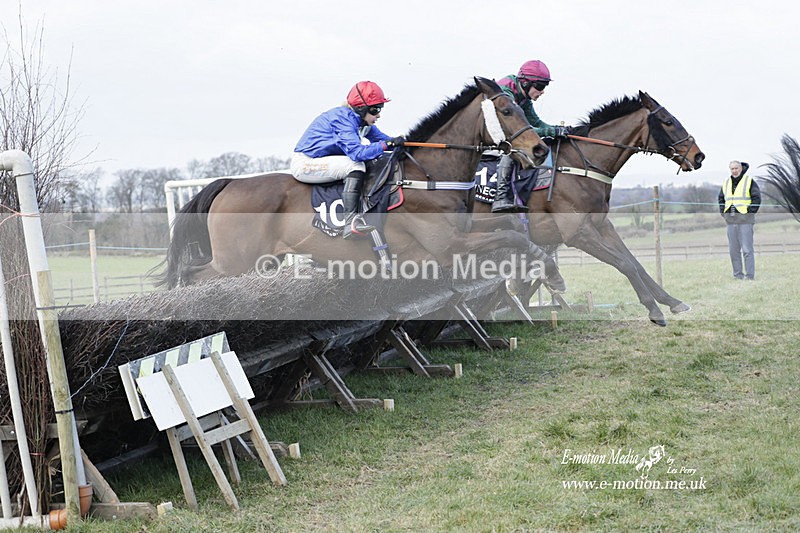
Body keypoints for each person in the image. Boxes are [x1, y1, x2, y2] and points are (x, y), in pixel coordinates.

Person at [292, 81, 404, 239]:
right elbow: (357, 153)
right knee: (355, 165)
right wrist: (387, 144)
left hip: (323, 160)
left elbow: (383, 141)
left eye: (380, 108)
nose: (378, 114)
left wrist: (406, 144)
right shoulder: (342, 119)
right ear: (361, 108)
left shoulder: (362, 121)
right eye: (375, 109)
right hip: (305, 163)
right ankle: (351, 222)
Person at [492, 60, 570, 213]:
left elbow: (536, 123)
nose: (542, 92)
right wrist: (550, 132)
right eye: (540, 87)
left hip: (503, 130)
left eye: (544, 87)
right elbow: (522, 130)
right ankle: (500, 197)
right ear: (526, 83)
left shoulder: (524, 97)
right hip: (488, 129)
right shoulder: (505, 91)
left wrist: (557, 129)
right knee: (513, 149)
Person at [718, 160, 761, 280]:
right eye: (732, 168)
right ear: (730, 170)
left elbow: (756, 199)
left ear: (741, 169)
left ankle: (750, 276)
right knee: (734, 250)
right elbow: (721, 199)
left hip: (745, 221)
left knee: (747, 249)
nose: (734, 171)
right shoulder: (726, 183)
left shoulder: (749, 181)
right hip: (731, 221)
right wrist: (723, 213)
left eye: (736, 168)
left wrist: (749, 213)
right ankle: (738, 276)